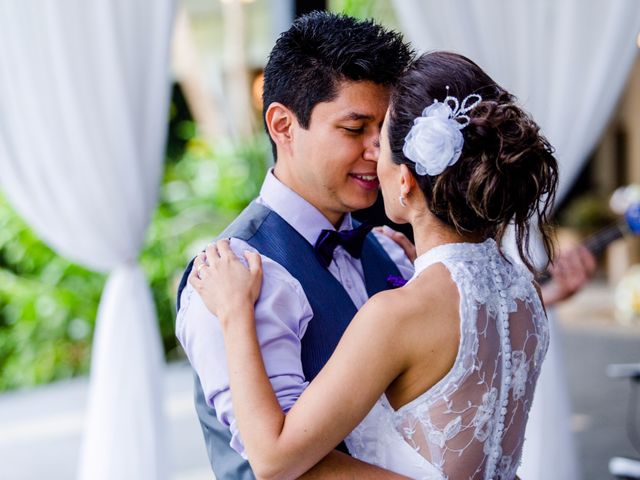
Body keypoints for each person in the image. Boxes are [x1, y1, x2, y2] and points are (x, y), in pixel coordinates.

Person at [190, 51, 560, 478]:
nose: (371, 154)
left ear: (405, 180)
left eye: (380, 140)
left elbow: (272, 461)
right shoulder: (523, 291)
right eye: (354, 129)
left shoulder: (397, 313)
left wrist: (236, 314)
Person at [176, 12, 415, 479]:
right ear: (283, 125)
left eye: (384, 131)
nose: (379, 152)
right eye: (354, 129)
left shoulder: (383, 249)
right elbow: (280, 464)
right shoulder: (232, 275)